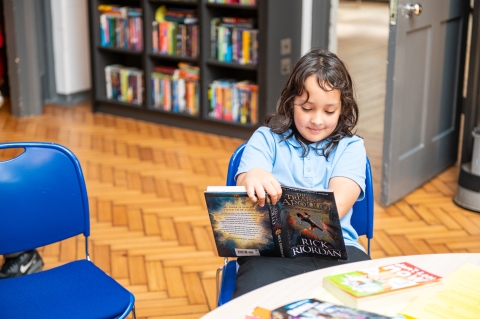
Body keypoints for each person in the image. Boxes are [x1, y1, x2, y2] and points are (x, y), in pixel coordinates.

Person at [233, 48, 370, 298]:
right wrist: (252, 177)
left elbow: (336, 207)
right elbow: (246, 180)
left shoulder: (351, 147)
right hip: (271, 254)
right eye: (307, 108)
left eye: (329, 111)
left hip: (340, 252)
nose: (317, 120)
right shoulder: (266, 139)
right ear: (290, 102)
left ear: (342, 109)